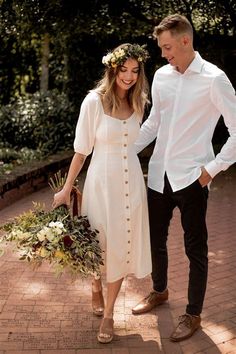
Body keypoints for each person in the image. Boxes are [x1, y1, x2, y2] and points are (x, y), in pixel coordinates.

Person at [132, 14, 236, 342]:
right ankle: (159, 291)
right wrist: (122, 151)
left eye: (167, 47)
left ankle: (193, 314)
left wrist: (212, 170)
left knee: (196, 248)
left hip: (193, 178)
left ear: (185, 41)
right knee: (155, 240)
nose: (164, 54)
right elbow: (153, 123)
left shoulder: (214, 79)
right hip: (159, 174)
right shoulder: (162, 76)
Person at [52, 43, 152, 344]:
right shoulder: (93, 102)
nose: (129, 76)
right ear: (113, 68)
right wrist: (67, 186)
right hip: (100, 182)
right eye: (124, 70)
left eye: (135, 71)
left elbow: (135, 143)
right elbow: (82, 151)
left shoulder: (139, 102)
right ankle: (94, 283)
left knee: (121, 245)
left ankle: (109, 314)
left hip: (131, 183)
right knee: (97, 243)